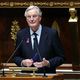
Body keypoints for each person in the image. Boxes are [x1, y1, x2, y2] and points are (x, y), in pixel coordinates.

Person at [13, 5, 65, 73]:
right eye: (29, 17)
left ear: (40, 18)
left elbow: (61, 57)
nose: (31, 19)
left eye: (34, 16)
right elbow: (15, 57)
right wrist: (23, 62)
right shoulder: (21, 34)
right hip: (27, 76)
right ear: (26, 19)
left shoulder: (51, 34)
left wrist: (48, 63)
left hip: (46, 75)